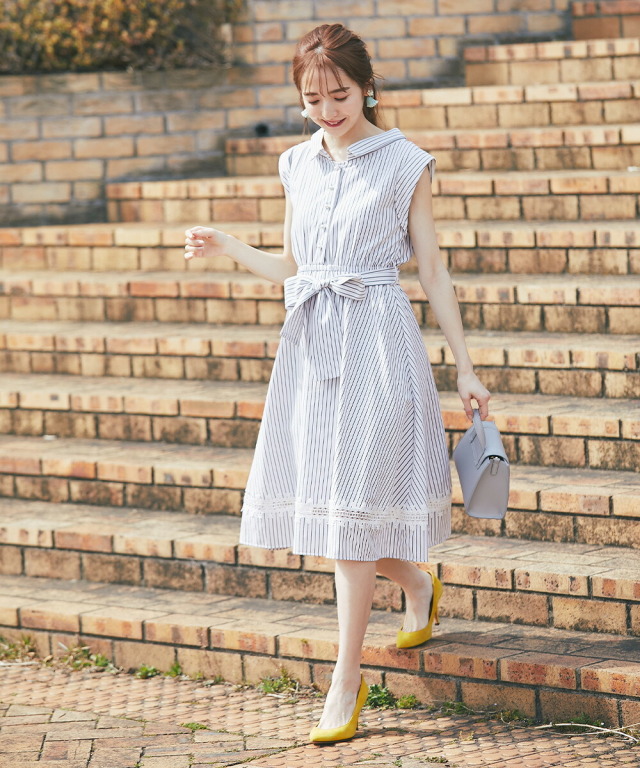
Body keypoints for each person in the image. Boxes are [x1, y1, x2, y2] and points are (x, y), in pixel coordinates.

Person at [184, 22, 491, 745]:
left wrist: (466, 365)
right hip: (311, 348)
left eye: (340, 95)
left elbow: (432, 269)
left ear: (368, 88)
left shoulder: (406, 161)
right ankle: (416, 583)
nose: (326, 110)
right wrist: (227, 245)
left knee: (350, 513)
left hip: (379, 345)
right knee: (332, 515)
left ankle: (345, 681)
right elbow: (293, 267)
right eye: (312, 99)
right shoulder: (295, 164)